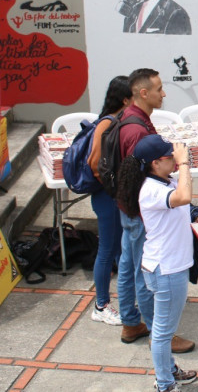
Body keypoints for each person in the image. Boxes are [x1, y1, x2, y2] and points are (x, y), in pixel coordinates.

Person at [115, 68, 195, 353]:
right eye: (160, 89)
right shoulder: (137, 129)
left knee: (129, 264)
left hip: (130, 207)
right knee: (142, 270)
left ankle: (131, 321)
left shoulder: (132, 119)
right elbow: (180, 195)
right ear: (143, 93)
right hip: (141, 213)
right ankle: (157, 331)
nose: (164, 94)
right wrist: (182, 165)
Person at [115, 135, 198, 392]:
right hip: (167, 270)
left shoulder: (163, 181)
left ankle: (170, 371)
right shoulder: (152, 190)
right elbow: (183, 197)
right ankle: (165, 383)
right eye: (169, 157)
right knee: (163, 333)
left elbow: (185, 202)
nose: (174, 159)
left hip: (165, 266)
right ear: (155, 163)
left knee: (163, 329)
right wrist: (184, 163)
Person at [88, 76, 132, 325]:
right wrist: (114, 186)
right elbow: (95, 163)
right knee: (106, 250)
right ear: (125, 100)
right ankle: (101, 305)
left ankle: (121, 298)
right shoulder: (107, 124)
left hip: (113, 195)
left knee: (117, 248)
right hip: (107, 196)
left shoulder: (117, 121)